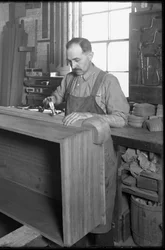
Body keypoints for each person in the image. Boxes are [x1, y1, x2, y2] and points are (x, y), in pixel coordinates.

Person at [43, 37, 130, 246]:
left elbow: (121, 118)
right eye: (70, 61)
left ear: (90, 56)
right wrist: (51, 100)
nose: (73, 66)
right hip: (73, 153)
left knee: (100, 209)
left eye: (77, 60)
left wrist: (88, 116)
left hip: (98, 156)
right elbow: (58, 95)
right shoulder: (70, 78)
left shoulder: (107, 81)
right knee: (75, 207)